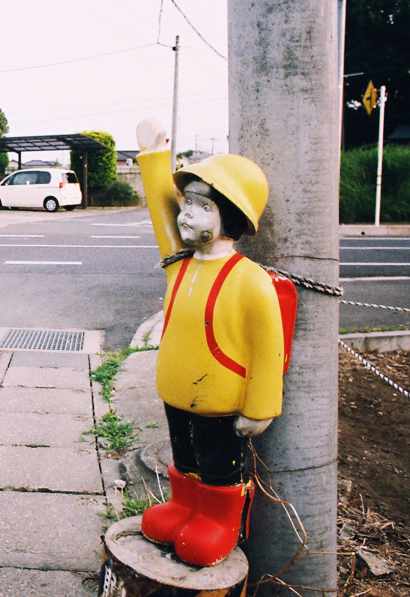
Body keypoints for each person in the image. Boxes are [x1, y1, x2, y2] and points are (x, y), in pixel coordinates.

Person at [134, 118, 287, 567]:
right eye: (187, 202)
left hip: (222, 401)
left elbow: (267, 347)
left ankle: (219, 520)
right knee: (184, 455)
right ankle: (183, 507)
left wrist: (260, 408)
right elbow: (162, 213)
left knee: (220, 464)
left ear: (230, 218)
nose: (185, 213)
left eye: (202, 206)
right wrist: (153, 157)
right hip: (177, 394)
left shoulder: (249, 281)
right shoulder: (180, 265)